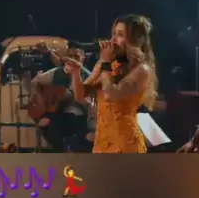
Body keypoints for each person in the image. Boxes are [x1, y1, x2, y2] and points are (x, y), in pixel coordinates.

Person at [69, 14, 158, 154]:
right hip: (102, 141)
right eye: (114, 34)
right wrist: (76, 72)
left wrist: (105, 63)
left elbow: (111, 94)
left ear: (134, 41)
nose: (113, 40)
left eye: (120, 35)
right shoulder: (106, 64)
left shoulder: (142, 70)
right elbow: (80, 95)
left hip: (125, 143)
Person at [28, 46, 92, 152]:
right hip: (57, 113)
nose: (72, 59)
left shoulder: (89, 76)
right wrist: (41, 102)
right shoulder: (57, 72)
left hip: (79, 114)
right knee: (48, 124)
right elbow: (35, 81)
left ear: (83, 58)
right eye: (70, 56)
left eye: (76, 56)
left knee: (76, 125)